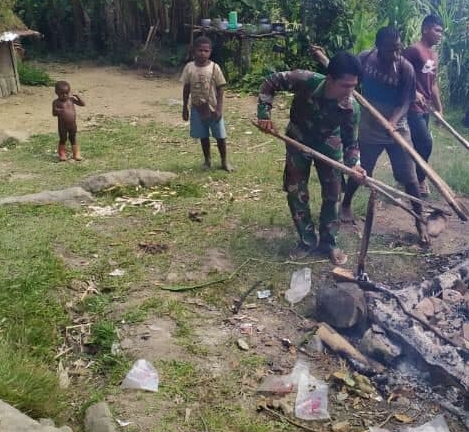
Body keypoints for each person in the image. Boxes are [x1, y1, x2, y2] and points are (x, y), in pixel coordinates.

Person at [257, 52, 367, 265]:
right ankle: (307, 241)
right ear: (330, 79)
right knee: (296, 191)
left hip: (329, 144)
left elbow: (351, 144)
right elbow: (270, 82)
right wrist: (264, 114)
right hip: (298, 138)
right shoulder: (304, 80)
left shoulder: (352, 108)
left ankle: (329, 242)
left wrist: (355, 165)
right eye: (345, 85)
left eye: (354, 85)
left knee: (333, 194)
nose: (350, 91)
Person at [339, 26, 428, 245]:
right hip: (370, 125)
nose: (394, 54)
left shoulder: (405, 68)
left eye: (398, 48)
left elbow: (406, 101)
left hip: (397, 126)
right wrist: (351, 98)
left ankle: (420, 220)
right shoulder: (365, 59)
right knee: (361, 170)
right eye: (390, 49)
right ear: (378, 46)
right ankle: (346, 204)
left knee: (410, 177)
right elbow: (354, 83)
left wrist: (393, 121)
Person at [403, 14, 444, 197]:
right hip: (411, 107)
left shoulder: (434, 55)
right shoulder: (413, 50)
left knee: (419, 145)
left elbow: (433, 83)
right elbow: (399, 73)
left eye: (441, 31)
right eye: (437, 30)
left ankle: (411, 178)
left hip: (425, 107)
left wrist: (439, 109)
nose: (439, 34)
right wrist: (413, 92)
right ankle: (420, 180)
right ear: (425, 29)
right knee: (426, 143)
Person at [180, 36, 232, 171]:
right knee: (203, 136)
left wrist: (219, 108)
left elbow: (221, 88)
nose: (203, 53)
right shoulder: (189, 67)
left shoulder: (215, 68)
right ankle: (207, 160)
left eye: (206, 51)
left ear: (210, 52)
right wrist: (185, 107)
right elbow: (186, 88)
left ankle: (224, 161)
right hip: (197, 108)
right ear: (194, 51)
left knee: (220, 136)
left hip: (213, 108)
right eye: (200, 50)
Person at [52, 80, 85, 161]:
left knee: (73, 138)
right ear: (56, 92)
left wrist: (78, 96)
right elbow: (54, 113)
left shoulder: (71, 100)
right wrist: (60, 111)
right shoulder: (56, 102)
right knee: (63, 139)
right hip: (62, 125)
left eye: (66, 93)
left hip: (72, 125)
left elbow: (82, 104)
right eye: (62, 94)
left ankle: (76, 153)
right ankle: (62, 154)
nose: (65, 95)